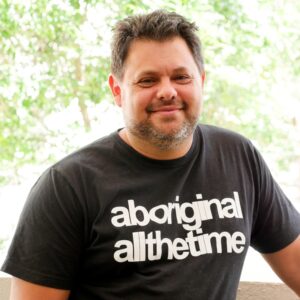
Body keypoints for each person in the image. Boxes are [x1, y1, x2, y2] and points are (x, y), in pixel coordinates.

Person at [1, 10, 300, 300]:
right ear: (117, 90)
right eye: (147, 80)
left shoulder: (238, 158)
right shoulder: (67, 186)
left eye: (181, 77)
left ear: (202, 81)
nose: (167, 91)